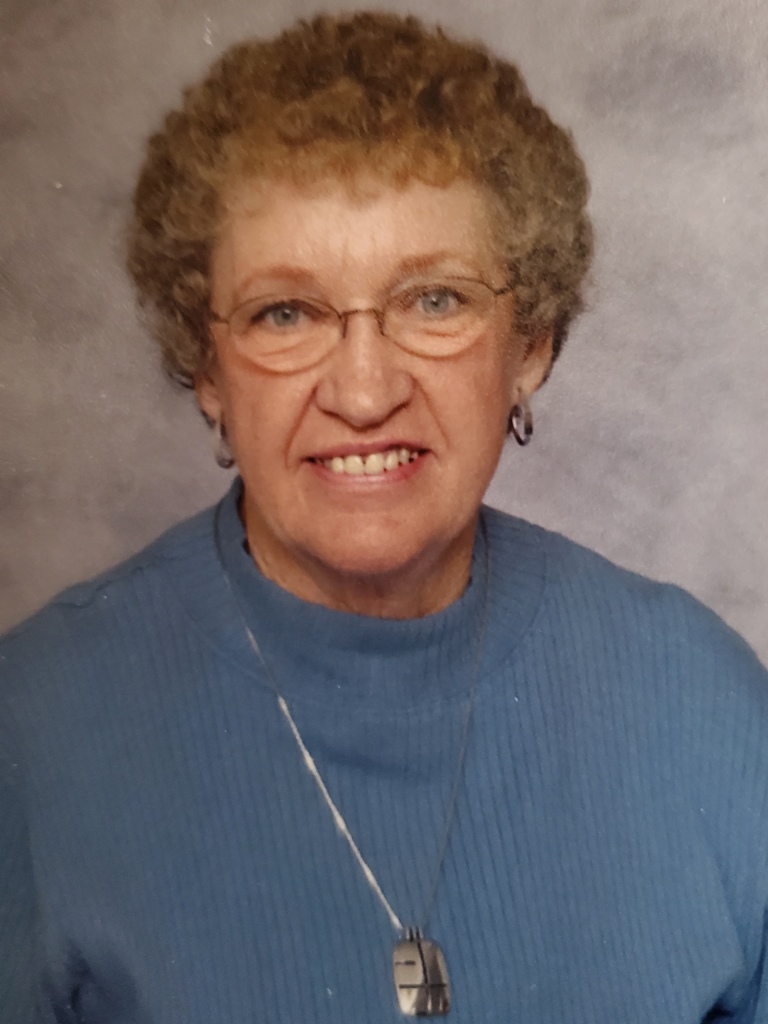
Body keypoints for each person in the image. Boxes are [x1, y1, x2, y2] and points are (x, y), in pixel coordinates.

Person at [1, 11, 767, 1023]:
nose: (364, 393)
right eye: (285, 313)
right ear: (207, 366)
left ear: (530, 343)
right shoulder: (33, 728)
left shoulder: (701, 703)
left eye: (434, 300)